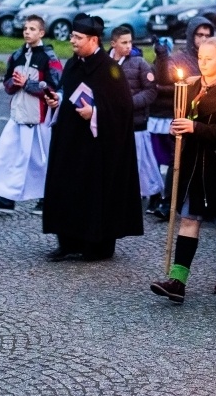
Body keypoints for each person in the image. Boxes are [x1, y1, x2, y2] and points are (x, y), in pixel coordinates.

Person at [42, 13, 143, 261]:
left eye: (78, 37)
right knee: (66, 188)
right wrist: (58, 100)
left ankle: (96, 245)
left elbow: (123, 108)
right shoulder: (73, 64)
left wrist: (95, 113)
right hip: (70, 141)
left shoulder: (109, 69)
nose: (73, 41)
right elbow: (68, 91)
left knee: (94, 194)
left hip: (99, 147)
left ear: (94, 40)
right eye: (72, 36)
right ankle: (67, 242)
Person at [150, 37, 216, 304]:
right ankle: (178, 282)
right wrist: (177, 128)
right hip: (191, 166)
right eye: (200, 57)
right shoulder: (191, 86)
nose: (202, 63)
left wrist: (195, 128)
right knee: (189, 219)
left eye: (209, 58)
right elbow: (182, 118)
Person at [0, 15, 62, 214]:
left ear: (41, 33)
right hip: (17, 118)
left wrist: (27, 83)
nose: (27, 32)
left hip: (39, 121)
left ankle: (46, 201)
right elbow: (7, 82)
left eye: (32, 29)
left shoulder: (50, 58)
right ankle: (6, 200)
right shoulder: (16, 55)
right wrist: (14, 84)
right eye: (25, 28)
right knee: (7, 159)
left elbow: (54, 88)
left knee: (41, 162)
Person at [149, 17, 215, 221]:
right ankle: (168, 202)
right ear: (191, 35)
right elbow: (165, 78)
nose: (203, 39)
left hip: (209, 117)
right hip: (185, 115)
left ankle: (210, 203)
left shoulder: (215, 57)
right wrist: (161, 57)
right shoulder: (180, 58)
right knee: (176, 158)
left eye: (207, 35)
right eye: (199, 35)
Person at [108, 25, 163, 202]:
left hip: (135, 123)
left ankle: (151, 194)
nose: (128, 46)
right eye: (124, 42)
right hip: (111, 123)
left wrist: (130, 104)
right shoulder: (104, 63)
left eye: (130, 41)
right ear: (113, 43)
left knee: (142, 163)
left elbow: (151, 91)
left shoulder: (139, 63)